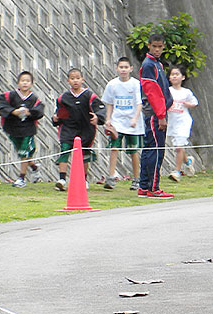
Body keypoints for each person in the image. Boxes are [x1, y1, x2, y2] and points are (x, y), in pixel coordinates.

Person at [51, 68, 106, 191]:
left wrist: (98, 117)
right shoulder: (63, 98)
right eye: (72, 78)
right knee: (64, 151)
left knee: (84, 155)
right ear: (68, 81)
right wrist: (55, 119)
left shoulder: (90, 96)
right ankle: (62, 180)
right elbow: (60, 113)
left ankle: (83, 180)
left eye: (77, 78)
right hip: (68, 129)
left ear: (82, 80)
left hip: (86, 129)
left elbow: (101, 109)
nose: (75, 81)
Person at [138, 33, 174, 199]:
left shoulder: (157, 64)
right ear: (149, 46)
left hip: (156, 113)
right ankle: (153, 188)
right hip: (154, 115)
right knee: (155, 151)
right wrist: (161, 115)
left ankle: (144, 187)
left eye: (160, 46)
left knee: (149, 150)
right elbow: (153, 93)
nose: (157, 49)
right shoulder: (148, 65)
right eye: (155, 46)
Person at [0, 71, 45, 187]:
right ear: (18, 83)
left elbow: (39, 112)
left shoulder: (34, 99)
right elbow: (0, 107)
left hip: (28, 130)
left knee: (24, 153)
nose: (25, 83)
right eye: (23, 81)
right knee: (22, 153)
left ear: (32, 84)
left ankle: (21, 178)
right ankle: (34, 167)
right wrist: (13, 111)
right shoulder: (10, 96)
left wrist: (29, 112)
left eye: (27, 81)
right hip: (12, 129)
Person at [101, 57, 144, 190]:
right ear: (117, 69)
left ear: (131, 68)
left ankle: (136, 179)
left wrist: (135, 119)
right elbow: (109, 103)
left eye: (126, 67)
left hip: (132, 123)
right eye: (121, 67)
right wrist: (108, 119)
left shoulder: (136, 84)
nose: (123, 70)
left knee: (133, 151)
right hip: (117, 121)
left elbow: (139, 103)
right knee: (114, 148)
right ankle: (111, 176)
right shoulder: (112, 84)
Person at [165, 65, 198, 182]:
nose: (174, 76)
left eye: (177, 74)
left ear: (183, 77)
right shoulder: (167, 91)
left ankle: (177, 171)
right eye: (172, 74)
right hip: (172, 122)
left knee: (179, 146)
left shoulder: (186, 92)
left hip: (183, 122)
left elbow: (195, 102)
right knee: (179, 146)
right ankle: (188, 161)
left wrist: (188, 104)